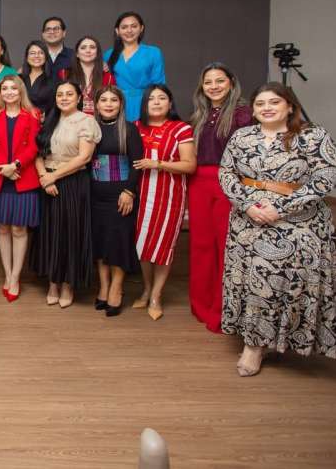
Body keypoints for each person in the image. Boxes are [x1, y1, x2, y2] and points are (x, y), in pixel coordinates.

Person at [219, 82, 336, 377]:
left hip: (298, 222)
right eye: (260, 103)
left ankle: (282, 339)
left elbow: (327, 175)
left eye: (274, 102)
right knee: (254, 281)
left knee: (287, 283)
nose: (267, 108)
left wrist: (282, 207)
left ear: (290, 106)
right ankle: (254, 344)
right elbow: (226, 173)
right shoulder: (242, 137)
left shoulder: (313, 136)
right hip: (248, 218)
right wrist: (247, 204)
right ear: (253, 110)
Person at [187, 62, 254, 333]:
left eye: (219, 81)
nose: (214, 86)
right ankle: (201, 304)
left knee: (224, 246)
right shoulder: (198, 116)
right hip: (198, 183)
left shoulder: (244, 115)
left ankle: (222, 310)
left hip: (228, 182)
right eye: (208, 82)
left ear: (231, 82)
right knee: (201, 245)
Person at [31, 80, 101, 307]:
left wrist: (55, 176)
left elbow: (84, 157)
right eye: (60, 94)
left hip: (73, 183)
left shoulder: (86, 121)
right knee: (50, 233)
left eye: (69, 94)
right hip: (47, 183)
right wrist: (44, 177)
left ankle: (68, 285)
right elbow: (38, 153)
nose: (64, 98)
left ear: (79, 98)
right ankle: (53, 282)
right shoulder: (49, 120)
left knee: (70, 234)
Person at [132, 84, 196, 320]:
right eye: (151, 98)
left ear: (170, 103)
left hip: (168, 196)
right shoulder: (135, 127)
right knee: (142, 246)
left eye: (162, 98)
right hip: (139, 195)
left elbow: (189, 165)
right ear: (144, 104)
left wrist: (158, 164)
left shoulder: (181, 128)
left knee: (163, 246)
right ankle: (146, 289)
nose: (157, 102)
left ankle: (156, 295)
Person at [0, 75, 41, 302]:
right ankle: (7, 274)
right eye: (5, 88)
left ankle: (16, 277)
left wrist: (15, 165)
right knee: (2, 229)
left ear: (20, 92)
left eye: (13, 88)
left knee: (19, 229)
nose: (9, 92)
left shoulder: (32, 115)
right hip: (0, 177)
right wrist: (4, 168)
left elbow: (34, 146)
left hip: (22, 177)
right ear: (0, 93)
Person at [90, 86, 143, 317]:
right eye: (104, 100)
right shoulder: (90, 127)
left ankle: (116, 288)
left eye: (114, 100)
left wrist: (129, 192)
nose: (109, 104)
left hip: (120, 196)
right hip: (94, 195)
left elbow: (137, 164)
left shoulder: (129, 130)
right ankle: (103, 287)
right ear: (97, 104)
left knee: (118, 243)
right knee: (100, 242)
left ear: (121, 104)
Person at [104, 11, 165, 122]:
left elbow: (159, 85)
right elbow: (104, 83)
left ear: (141, 28)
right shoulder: (109, 54)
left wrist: (155, 106)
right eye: (124, 27)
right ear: (117, 31)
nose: (129, 30)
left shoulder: (153, 52)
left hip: (145, 103)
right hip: (117, 104)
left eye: (134, 26)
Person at [59, 35, 116, 116]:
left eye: (92, 47)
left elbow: (112, 104)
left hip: (98, 121)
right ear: (77, 54)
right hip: (70, 120)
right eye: (83, 48)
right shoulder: (64, 74)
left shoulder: (108, 77)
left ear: (97, 53)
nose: (88, 51)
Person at [19, 40, 53, 115]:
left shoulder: (53, 80)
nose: (36, 56)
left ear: (46, 56)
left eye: (41, 53)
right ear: (27, 57)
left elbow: (54, 108)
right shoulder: (19, 78)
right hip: (19, 120)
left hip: (43, 120)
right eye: (32, 53)